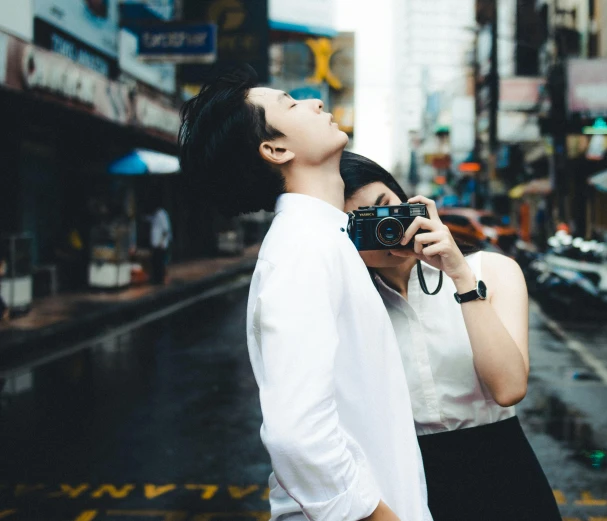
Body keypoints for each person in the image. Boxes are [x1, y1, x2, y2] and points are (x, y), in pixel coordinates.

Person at [178, 66, 431, 521]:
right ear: (275, 149)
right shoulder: (302, 248)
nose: (315, 102)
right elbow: (297, 434)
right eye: (290, 104)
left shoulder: (325, 239)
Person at [341, 151, 562, 521]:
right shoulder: (347, 304)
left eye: (386, 209)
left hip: (503, 469)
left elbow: (508, 389)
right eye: (363, 224)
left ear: (409, 202)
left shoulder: (493, 270)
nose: (386, 229)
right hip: (403, 479)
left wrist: (460, 274)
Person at [149, 204, 172, 285]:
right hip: (156, 245)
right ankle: (157, 280)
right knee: (156, 263)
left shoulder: (162, 214)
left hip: (160, 245)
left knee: (161, 263)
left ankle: (161, 280)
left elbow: (166, 230)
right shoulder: (154, 215)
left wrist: (161, 242)